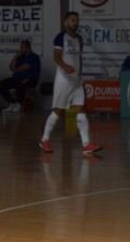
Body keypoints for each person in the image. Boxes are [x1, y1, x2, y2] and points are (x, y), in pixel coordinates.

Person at [39, 12, 102, 155]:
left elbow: (78, 59)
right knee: (58, 110)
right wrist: (65, 66)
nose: (76, 22)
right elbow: (56, 57)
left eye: (77, 20)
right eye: (72, 20)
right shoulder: (60, 37)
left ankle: (86, 145)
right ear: (65, 22)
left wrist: (80, 75)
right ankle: (45, 140)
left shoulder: (79, 38)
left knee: (81, 109)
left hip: (76, 80)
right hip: (64, 80)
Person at [0, 40, 41, 113]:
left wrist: (15, 69)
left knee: (21, 83)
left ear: (28, 48)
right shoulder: (20, 57)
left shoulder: (34, 57)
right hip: (17, 78)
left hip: (30, 79)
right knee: (0, 85)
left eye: (22, 47)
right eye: (21, 47)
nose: (21, 49)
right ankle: (12, 103)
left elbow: (22, 68)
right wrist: (15, 57)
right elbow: (11, 67)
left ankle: (19, 104)